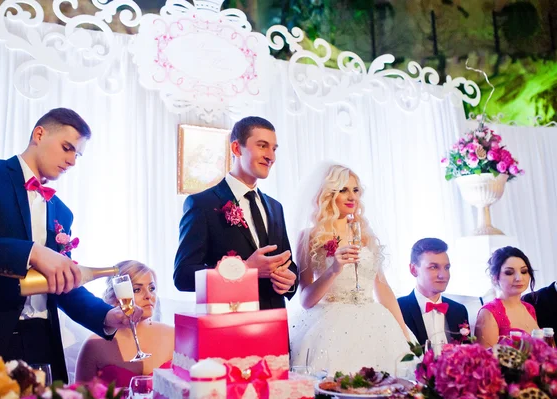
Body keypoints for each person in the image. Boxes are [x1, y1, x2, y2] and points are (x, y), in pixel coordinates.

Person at [0, 108, 139, 382]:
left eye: (77, 155)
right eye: (67, 148)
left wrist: (107, 316)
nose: (72, 161)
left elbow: (62, 285)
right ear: (39, 134)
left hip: (41, 342)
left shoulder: (62, 213)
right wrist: (32, 252)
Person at [289, 164, 412, 374]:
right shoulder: (310, 237)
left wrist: (404, 332)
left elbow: (382, 287)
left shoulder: (365, 234)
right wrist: (333, 270)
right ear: (328, 194)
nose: (351, 196)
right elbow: (305, 299)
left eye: (355, 190)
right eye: (343, 190)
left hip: (376, 324)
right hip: (328, 326)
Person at [174, 116, 297, 310]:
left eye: (274, 149)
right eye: (262, 146)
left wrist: (290, 281)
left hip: (275, 324)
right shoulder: (202, 204)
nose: (271, 156)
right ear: (236, 149)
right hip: (229, 324)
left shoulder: (275, 207)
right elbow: (183, 276)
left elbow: (289, 265)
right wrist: (245, 270)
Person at [76, 260, 174, 387]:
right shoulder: (94, 345)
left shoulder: (174, 335)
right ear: (116, 296)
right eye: (137, 289)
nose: (149, 295)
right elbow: (78, 394)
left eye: (152, 288)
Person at [397, 238, 469, 349]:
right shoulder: (398, 309)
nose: (443, 275)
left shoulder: (459, 310)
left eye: (446, 267)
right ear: (413, 270)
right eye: (434, 267)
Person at [475, 246, 539, 348]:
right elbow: (486, 361)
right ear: (495, 278)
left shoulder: (529, 308)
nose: (519, 278)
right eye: (509, 272)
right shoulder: (489, 312)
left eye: (524, 271)